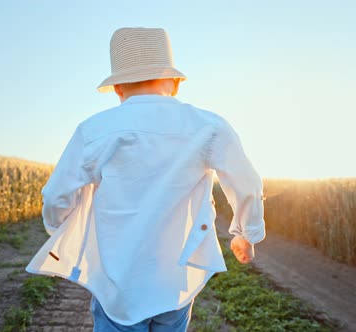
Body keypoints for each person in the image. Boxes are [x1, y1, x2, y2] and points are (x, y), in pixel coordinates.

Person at [26, 27, 265, 332]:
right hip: (176, 284)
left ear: (117, 89)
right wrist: (247, 233)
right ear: (175, 83)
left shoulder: (94, 130)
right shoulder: (210, 126)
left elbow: (57, 196)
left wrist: (60, 229)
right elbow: (248, 184)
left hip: (118, 285)